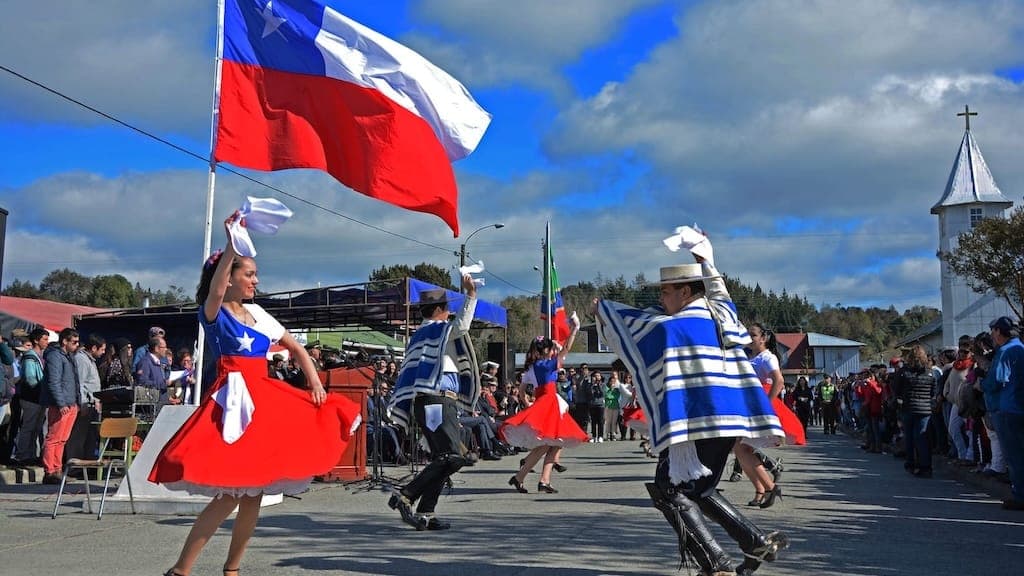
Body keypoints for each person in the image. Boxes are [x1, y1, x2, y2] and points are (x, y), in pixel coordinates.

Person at [152, 210, 361, 576]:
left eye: (254, 274)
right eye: (248, 274)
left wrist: (313, 381)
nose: (255, 280)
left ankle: (232, 570)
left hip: (264, 397)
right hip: (233, 402)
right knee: (229, 494)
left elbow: (296, 349)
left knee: (255, 494)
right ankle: (180, 571)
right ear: (230, 277)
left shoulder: (259, 313)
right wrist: (233, 243)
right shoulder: (214, 311)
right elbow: (215, 288)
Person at [596, 233, 788, 576]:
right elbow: (719, 291)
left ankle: (717, 564)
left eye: (666, 290)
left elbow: (636, 331)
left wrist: (605, 311)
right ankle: (755, 542)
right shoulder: (723, 316)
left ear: (686, 292)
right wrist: (706, 258)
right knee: (699, 487)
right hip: (729, 416)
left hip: (701, 418)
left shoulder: (675, 326)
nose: (661, 297)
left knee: (669, 490)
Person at [387, 276, 481, 531]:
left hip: (431, 400)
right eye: (447, 308)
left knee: (445, 457)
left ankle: (426, 511)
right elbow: (462, 324)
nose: (450, 312)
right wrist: (470, 295)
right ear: (439, 310)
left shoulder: (424, 335)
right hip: (436, 399)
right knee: (453, 457)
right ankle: (406, 494)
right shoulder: (436, 331)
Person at [502, 327, 588, 494]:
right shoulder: (548, 364)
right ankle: (540, 480)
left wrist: (528, 405)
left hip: (542, 402)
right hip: (550, 403)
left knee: (548, 444)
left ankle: (526, 478)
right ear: (547, 350)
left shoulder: (532, 367)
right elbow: (566, 349)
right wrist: (575, 329)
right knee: (554, 442)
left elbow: (521, 391)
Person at [735, 322, 803, 508]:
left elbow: (779, 381)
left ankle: (770, 488)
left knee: (742, 449)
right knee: (742, 449)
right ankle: (762, 490)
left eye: (753, 335)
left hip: (759, 403)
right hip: (749, 403)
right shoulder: (752, 356)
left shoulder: (767, 357)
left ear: (763, 338)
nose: (749, 338)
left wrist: (766, 404)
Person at [983, 316, 1024, 510]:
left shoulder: (1005, 351)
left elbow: (996, 380)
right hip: (1019, 406)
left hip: (1007, 406)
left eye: (993, 331)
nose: (992, 334)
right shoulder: (1021, 348)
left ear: (999, 331)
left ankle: (1020, 495)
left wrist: (981, 383)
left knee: (1014, 455)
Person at [40, 328, 81, 484]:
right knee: (54, 438)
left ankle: (57, 469)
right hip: (61, 404)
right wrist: (61, 402)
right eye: (74, 342)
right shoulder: (55, 356)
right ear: (64, 341)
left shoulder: (69, 356)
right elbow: (54, 382)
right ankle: (49, 471)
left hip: (71, 403)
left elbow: (74, 381)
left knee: (62, 439)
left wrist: (77, 402)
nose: (77, 345)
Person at [892, 344, 937, 478]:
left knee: (910, 437)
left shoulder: (904, 372)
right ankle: (926, 466)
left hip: (909, 407)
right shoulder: (930, 372)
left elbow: (897, 389)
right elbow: (933, 391)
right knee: (923, 437)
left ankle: (911, 463)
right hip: (925, 409)